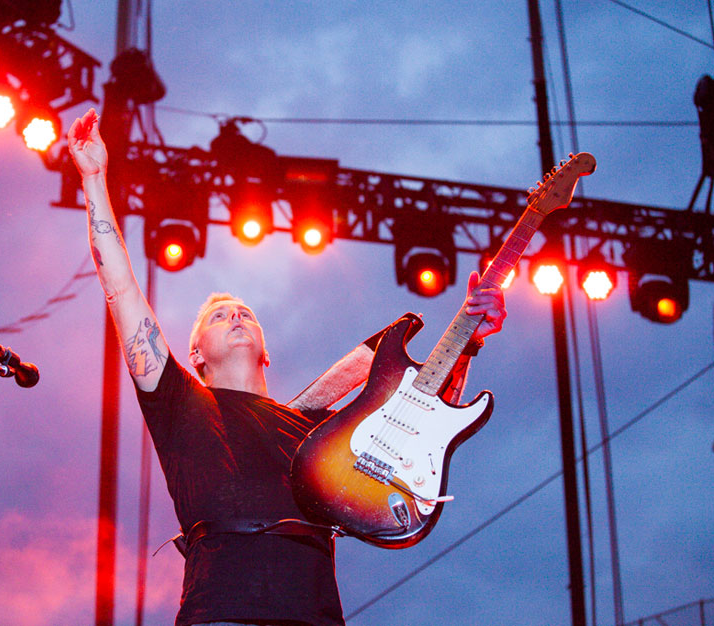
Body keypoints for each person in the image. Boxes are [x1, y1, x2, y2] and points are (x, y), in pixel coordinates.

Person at [67, 108, 507, 626]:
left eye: (246, 313)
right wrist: (95, 179)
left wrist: (469, 343)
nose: (235, 315)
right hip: (219, 613)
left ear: (265, 349)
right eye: (217, 316)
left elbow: (419, 433)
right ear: (195, 356)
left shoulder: (317, 432)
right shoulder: (178, 403)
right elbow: (121, 290)